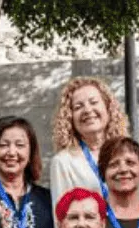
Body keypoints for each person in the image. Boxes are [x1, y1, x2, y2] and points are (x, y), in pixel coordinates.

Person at [46, 76, 127, 205]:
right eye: (78, 107)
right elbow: (61, 218)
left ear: (108, 108)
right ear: (70, 118)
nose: (88, 110)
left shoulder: (127, 153)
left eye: (93, 102)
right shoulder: (64, 162)